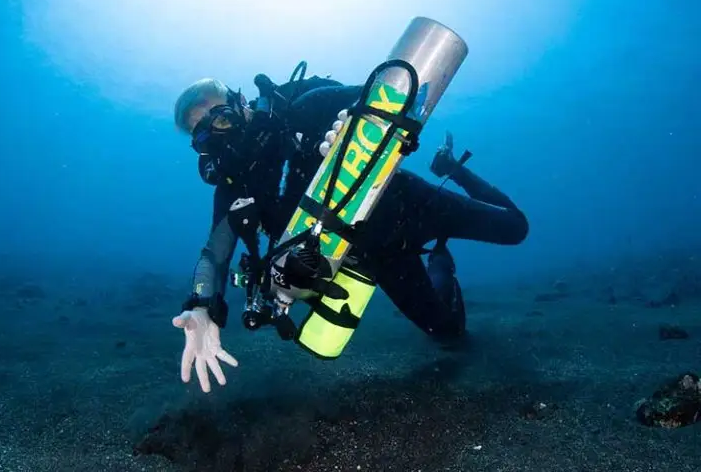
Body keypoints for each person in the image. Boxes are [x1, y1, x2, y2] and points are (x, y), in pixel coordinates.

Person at [171, 74, 528, 393]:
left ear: (241, 102)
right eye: (202, 133)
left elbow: (398, 92)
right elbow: (214, 256)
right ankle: (441, 261)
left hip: (409, 202)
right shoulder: (236, 189)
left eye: (218, 114)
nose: (218, 131)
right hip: (378, 256)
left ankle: (453, 169)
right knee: (449, 334)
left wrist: (352, 117)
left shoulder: (300, 110)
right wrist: (201, 307)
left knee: (515, 228)